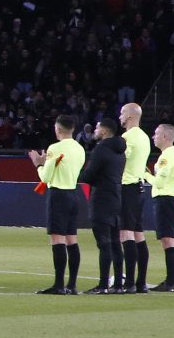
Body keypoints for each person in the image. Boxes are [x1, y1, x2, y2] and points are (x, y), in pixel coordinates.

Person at [29, 117, 85, 294]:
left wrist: (39, 164)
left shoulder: (55, 148)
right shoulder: (79, 148)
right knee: (71, 239)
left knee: (57, 239)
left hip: (58, 195)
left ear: (58, 129)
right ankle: (72, 285)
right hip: (73, 193)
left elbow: (45, 177)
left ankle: (59, 285)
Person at [79, 119, 128, 294]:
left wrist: (80, 174)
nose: (95, 129)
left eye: (98, 127)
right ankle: (119, 285)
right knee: (115, 242)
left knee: (104, 243)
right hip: (116, 197)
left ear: (105, 132)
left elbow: (90, 175)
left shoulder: (102, 149)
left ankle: (102, 285)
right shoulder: (121, 150)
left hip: (101, 198)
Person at [148, 122, 174, 291]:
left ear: (165, 137)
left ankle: (170, 282)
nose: (153, 137)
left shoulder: (166, 157)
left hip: (165, 199)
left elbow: (159, 182)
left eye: (156, 133)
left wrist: (144, 175)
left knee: (167, 240)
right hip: (172, 199)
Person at [118, 103, 152, 291]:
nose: (120, 116)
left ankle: (129, 282)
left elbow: (122, 160)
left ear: (130, 116)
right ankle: (141, 282)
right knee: (139, 234)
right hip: (139, 188)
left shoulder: (127, 137)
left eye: (122, 113)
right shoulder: (145, 137)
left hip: (127, 187)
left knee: (126, 233)